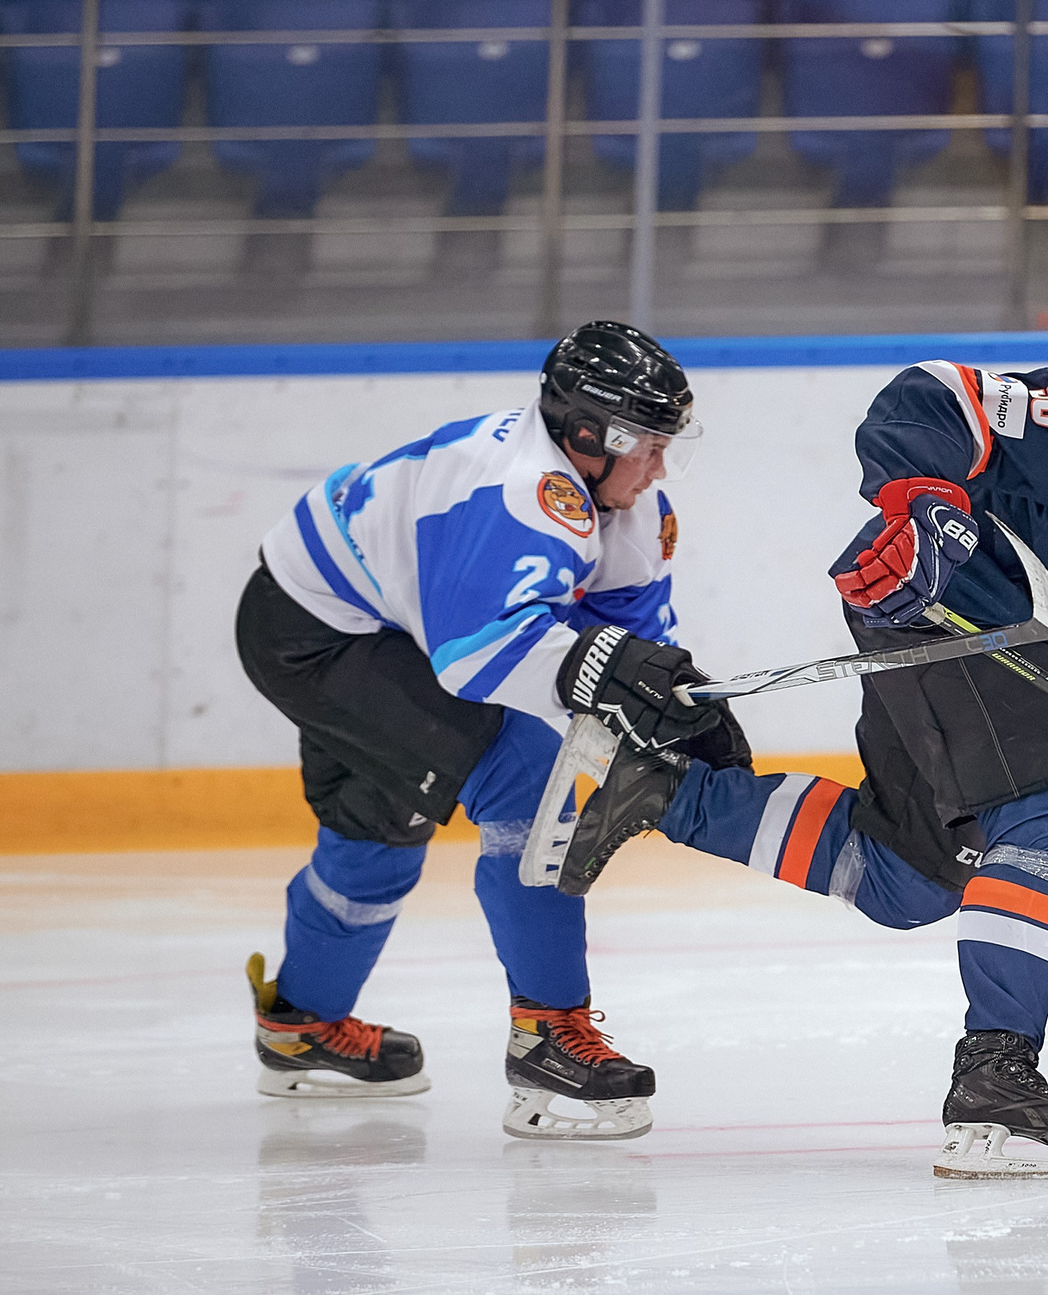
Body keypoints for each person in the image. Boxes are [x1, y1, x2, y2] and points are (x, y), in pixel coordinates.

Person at [553, 284, 1048, 1179]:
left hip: (1026, 650)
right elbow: (936, 397)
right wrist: (925, 506)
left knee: (909, 873)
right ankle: (997, 1080)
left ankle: (667, 793)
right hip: (943, 595)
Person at [236, 320, 746, 1142]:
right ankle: (548, 1034)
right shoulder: (515, 493)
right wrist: (616, 682)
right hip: (313, 633)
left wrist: (671, 706)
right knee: (528, 778)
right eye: (646, 444)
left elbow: (625, 636)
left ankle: (302, 1023)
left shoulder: (625, 502)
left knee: (385, 819)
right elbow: (475, 660)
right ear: (589, 435)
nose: (658, 467)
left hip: (381, 623)